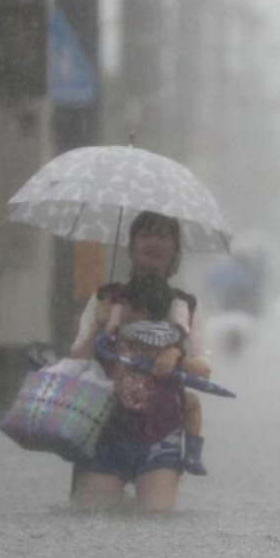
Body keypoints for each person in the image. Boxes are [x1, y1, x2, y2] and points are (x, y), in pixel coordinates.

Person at [69, 212, 211, 512]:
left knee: (155, 521)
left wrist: (176, 356)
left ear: (175, 250)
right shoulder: (106, 299)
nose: (154, 243)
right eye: (146, 234)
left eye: (163, 236)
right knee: (92, 521)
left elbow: (204, 370)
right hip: (103, 432)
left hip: (161, 434)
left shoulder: (184, 306)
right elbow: (75, 360)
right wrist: (97, 325)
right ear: (132, 245)